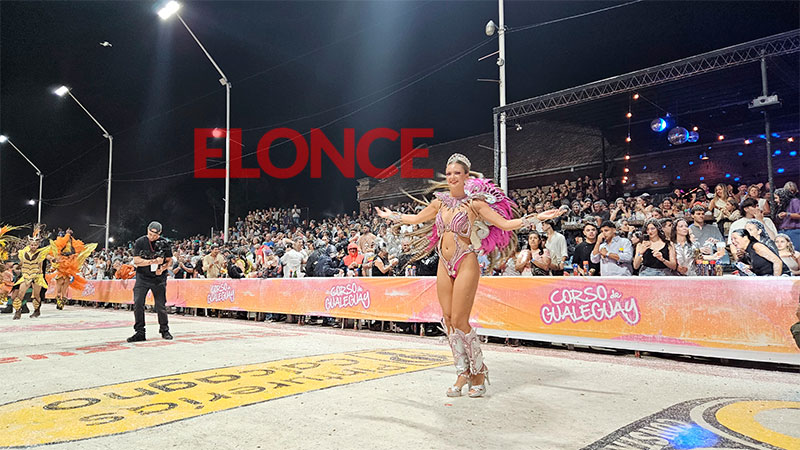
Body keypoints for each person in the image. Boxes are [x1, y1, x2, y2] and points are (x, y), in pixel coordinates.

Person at [376, 153, 560, 398]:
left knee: (461, 320)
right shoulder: (439, 202)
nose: (452, 177)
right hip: (444, 263)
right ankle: (462, 372)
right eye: (449, 173)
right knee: (448, 319)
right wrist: (392, 216)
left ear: (466, 176)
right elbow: (416, 218)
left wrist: (536, 218)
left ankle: (479, 371)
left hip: (465, 261)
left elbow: (505, 224)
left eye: (457, 173)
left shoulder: (475, 204)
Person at [128, 221, 173, 342]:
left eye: (155, 235)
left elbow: (169, 260)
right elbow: (136, 261)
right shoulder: (140, 241)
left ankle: (164, 330)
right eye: (150, 234)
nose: (152, 237)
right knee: (138, 303)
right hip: (142, 277)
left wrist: (162, 268)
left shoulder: (165, 243)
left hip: (159, 278)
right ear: (147, 230)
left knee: (160, 305)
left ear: (160, 233)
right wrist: (152, 262)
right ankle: (140, 332)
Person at [46, 228, 97, 311]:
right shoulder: (63, 243)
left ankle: (61, 301)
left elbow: (76, 250)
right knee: (60, 286)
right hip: (62, 265)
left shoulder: (73, 244)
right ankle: (60, 301)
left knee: (64, 286)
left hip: (68, 266)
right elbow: (57, 249)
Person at [11, 228, 51, 320]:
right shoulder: (23, 252)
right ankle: (18, 311)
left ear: (38, 245)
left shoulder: (41, 253)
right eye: (32, 245)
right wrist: (18, 266)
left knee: (36, 295)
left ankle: (37, 310)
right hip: (26, 275)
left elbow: (48, 257)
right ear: (29, 244)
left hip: (37, 275)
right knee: (20, 293)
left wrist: (53, 259)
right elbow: (22, 263)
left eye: (35, 245)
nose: (33, 246)